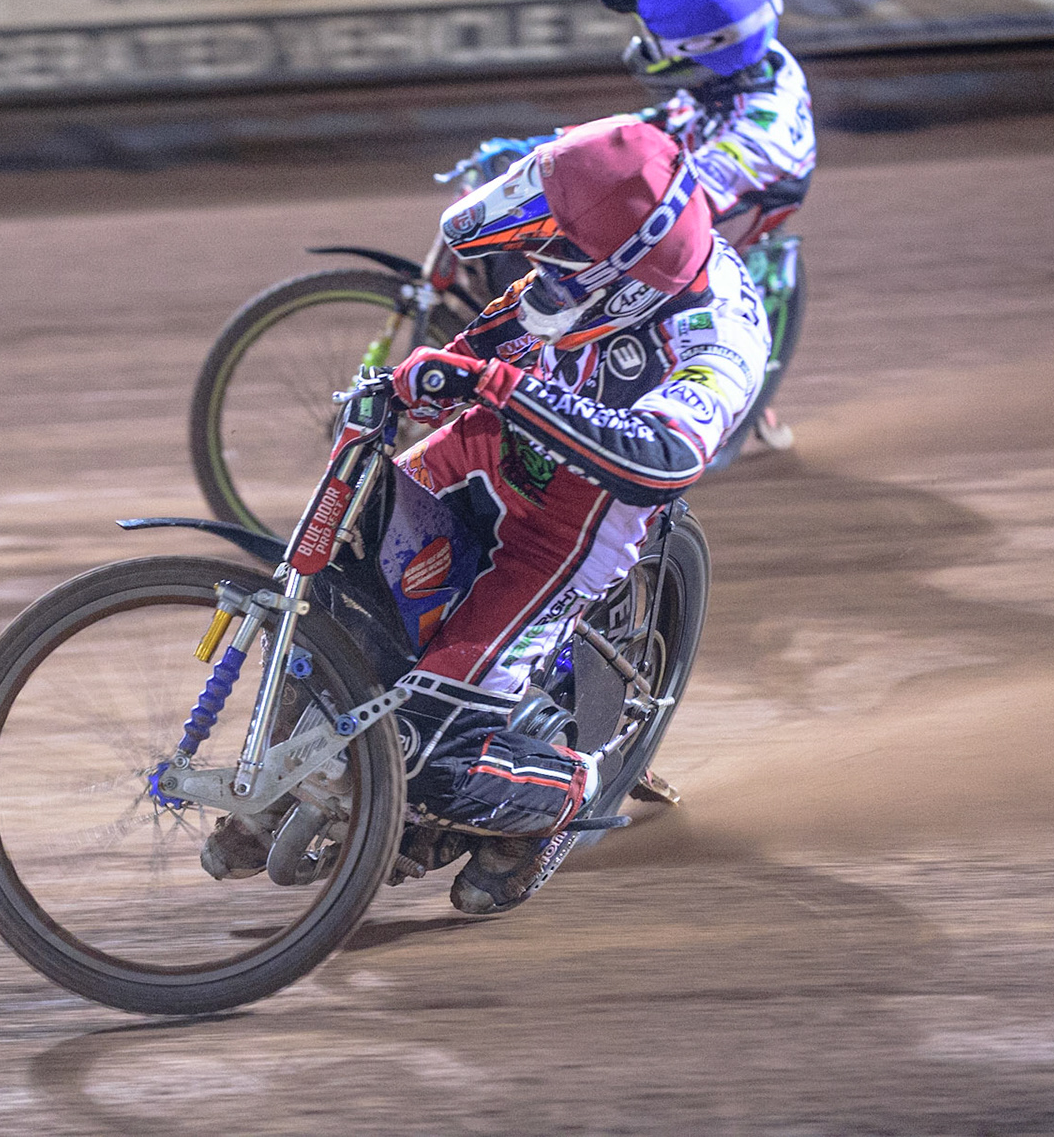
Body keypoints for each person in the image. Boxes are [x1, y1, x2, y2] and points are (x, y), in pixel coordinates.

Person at [204, 113, 772, 916]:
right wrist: (428, 376)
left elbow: (666, 458)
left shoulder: (716, 337)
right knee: (336, 559)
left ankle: (572, 792)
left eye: (560, 249)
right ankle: (279, 771)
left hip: (569, 525)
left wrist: (500, 387)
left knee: (425, 756)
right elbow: (512, 317)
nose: (540, 257)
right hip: (481, 446)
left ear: (620, 268)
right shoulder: (621, 211)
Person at [470, 0, 817, 263]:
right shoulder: (741, 57)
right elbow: (656, 126)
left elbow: (665, 206)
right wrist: (548, 150)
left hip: (724, 202)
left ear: (705, 44)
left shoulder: (758, 134)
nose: (643, 44)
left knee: (587, 262)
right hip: (703, 136)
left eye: (657, 36)